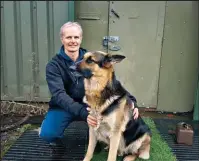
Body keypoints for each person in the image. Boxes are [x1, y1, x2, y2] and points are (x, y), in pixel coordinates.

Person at [39, 21, 139, 148]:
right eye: (68, 37)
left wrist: (132, 101)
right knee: (48, 134)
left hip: (91, 105)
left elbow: (112, 83)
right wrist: (83, 113)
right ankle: (53, 133)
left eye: (76, 37)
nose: (73, 41)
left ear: (81, 38)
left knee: (104, 134)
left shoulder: (92, 59)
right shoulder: (53, 66)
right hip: (64, 106)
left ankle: (99, 138)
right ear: (62, 39)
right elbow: (59, 95)